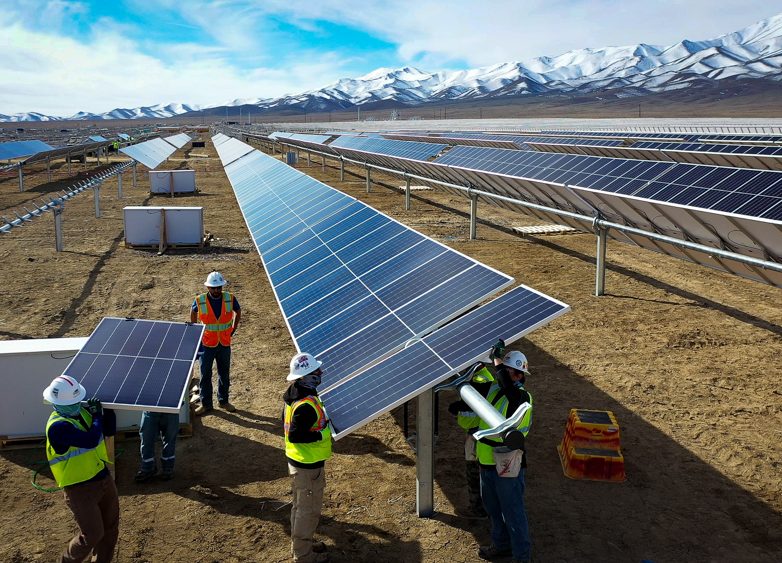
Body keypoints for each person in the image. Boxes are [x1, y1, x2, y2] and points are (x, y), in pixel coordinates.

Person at [43, 375, 119, 563]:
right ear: (57, 403)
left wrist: (108, 410)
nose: (77, 404)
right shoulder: (57, 427)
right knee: (92, 534)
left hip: (102, 478)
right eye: (73, 402)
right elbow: (91, 440)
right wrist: (97, 416)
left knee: (110, 530)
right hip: (79, 488)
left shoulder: (83, 413)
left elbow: (108, 431)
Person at [475, 340, 533, 563]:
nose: (504, 374)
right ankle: (501, 546)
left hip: (508, 464)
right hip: (487, 460)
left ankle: (522, 558)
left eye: (509, 370)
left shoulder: (521, 397)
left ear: (519, 376)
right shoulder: (496, 390)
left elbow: (508, 390)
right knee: (493, 508)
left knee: (513, 513)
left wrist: (497, 361)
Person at [283, 352, 332, 563]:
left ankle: (303, 544)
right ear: (304, 377)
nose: (320, 373)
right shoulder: (305, 406)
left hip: (301, 464)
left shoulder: (295, 393)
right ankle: (303, 555)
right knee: (307, 511)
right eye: (315, 371)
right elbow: (295, 435)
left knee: (301, 507)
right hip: (307, 466)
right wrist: (321, 434)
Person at [447, 360, 495, 517]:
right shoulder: (476, 376)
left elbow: (476, 401)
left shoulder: (481, 379)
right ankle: (480, 506)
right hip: (475, 432)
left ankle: (478, 508)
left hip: (478, 435)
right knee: (477, 470)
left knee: (475, 471)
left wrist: (457, 407)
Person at [190, 270, 241, 415]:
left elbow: (238, 311)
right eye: (214, 287)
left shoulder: (230, 298)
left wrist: (233, 328)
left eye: (219, 287)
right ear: (208, 287)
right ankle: (206, 404)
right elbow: (193, 312)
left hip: (224, 343)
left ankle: (223, 401)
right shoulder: (200, 300)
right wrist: (195, 331)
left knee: (224, 373)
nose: (217, 290)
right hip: (207, 344)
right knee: (205, 374)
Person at [134, 410, 180, 483]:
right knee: (147, 438)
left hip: (172, 410)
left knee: (170, 440)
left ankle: (168, 469)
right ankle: (147, 468)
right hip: (150, 408)